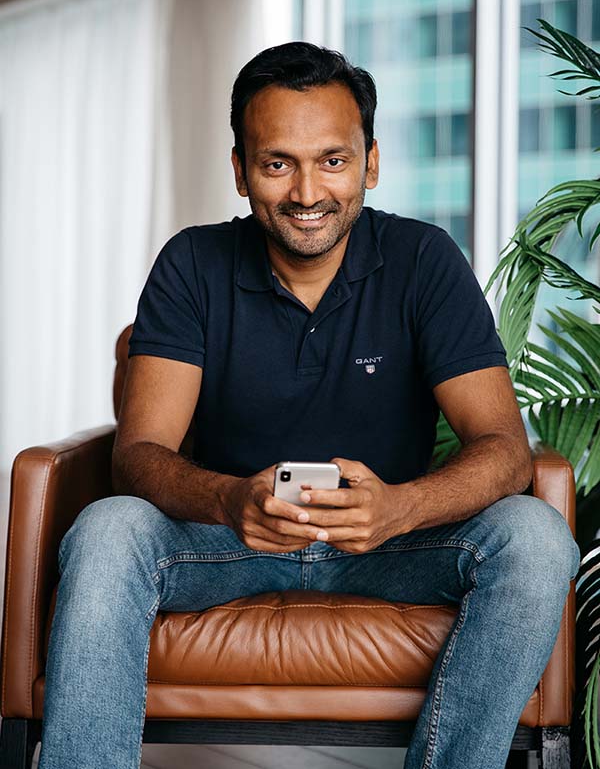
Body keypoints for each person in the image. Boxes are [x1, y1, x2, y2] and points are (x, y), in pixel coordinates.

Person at [38, 42, 581, 769]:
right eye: (276, 163)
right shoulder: (191, 264)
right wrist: (233, 500)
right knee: (108, 529)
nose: (307, 192)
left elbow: (504, 447)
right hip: (226, 541)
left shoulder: (424, 260)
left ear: (371, 162)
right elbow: (138, 456)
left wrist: (399, 508)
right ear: (240, 171)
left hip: (389, 545)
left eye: (332, 159)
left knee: (536, 536)